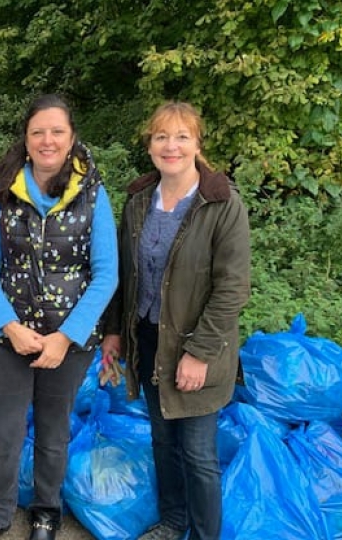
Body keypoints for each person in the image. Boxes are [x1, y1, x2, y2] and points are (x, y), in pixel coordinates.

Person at [101, 101, 251, 540]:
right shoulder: (138, 200)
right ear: (149, 144)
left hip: (197, 348)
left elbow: (231, 289)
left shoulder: (222, 205)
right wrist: (114, 331)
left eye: (182, 137)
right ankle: (172, 522)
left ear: (197, 145)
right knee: (163, 441)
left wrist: (199, 354)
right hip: (148, 340)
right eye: (162, 136)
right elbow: (124, 274)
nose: (171, 146)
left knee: (199, 453)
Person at [0, 94, 118, 540]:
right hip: (10, 337)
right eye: (38, 131)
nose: (47, 140)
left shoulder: (93, 196)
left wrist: (65, 337)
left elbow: (107, 273)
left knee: (55, 431)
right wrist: (9, 326)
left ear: (72, 138)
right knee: (4, 430)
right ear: (26, 138)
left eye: (57, 131)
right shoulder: (4, 192)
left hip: (68, 342)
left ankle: (46, 512)